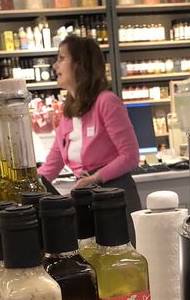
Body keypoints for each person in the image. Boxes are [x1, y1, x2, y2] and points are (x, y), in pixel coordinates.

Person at [39, 35, 141, 233]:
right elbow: (50, 167)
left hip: (115, 200)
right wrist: (24, 185)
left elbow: (130, 156)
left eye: (61, 58)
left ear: (81, 64)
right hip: (86, 202)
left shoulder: (107, 102)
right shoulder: (68, 113)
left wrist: (95, 178)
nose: (55, 65)